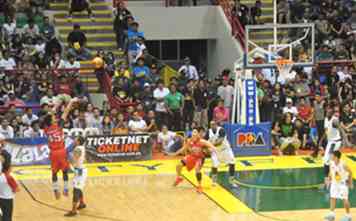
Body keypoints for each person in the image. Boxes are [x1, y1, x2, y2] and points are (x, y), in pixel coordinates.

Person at [41, 98, 77, 199]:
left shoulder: (46, 128)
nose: (55, 117)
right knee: (64, 171)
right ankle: (65, 189)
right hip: (61, 152)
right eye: (53, 117)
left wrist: (55, 107)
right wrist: (70, 102)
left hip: (53, 153)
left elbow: (47, 117)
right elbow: (66, 112)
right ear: (51, 120)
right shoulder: (59, 126)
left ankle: (56, 190)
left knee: (54, 172)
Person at [170, 129, 216, 193]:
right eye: (193, 133)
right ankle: (179, 177)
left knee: (197, 169)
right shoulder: (190, 141)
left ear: (197, 135)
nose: (194, 135)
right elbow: (183, 149)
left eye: (195, 133)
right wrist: (174, 154)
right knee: (178, 165)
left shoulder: (202, 141)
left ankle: (199, 186)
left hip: (200, 158)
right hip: (192, 156)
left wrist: (211, 150)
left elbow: (212, 147)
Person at [324, 150, 353, 221]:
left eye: (332, 155)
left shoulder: (343, 164)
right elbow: (331, 172)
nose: (331, 156)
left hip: (342, 184)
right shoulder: (331, 163)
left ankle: (348, 215)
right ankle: (331, 214)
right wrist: (328, 180)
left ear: (336, 157)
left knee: (345, 199)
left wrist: (350, 183)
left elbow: (350, 172)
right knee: (332, 197)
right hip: (334, 183)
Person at [207, 121, 236, 187]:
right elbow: (205, 141)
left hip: (225, 150)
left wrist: (210, 145)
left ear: (216, 125)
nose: (212, 126)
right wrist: (206, 148)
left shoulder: (221, 130)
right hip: (216, 151)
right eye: (211, 125)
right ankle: (214, 181)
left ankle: (232, 181)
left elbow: (219, 142)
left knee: (232, 163)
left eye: (213, 124)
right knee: (214, 165)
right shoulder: (208, 132)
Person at [65, 136, 87, 217]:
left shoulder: (77, 149)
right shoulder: (81, 147)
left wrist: (67, 160)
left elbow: (75, 158)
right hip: (79, 170)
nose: (74, 140)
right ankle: (82, 203)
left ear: (78, 141)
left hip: (80, 171)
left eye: (75, 139)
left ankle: (74, 211)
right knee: (78, 188)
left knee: (76, 190)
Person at [322, 108, 342, 189]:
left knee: (327, 160)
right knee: (330, 161)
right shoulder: (326, 119)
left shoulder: (335, 120)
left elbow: (340, 128)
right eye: (327, 111)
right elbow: (326, 130)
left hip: (335, 142)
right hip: (330, 142)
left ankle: (328, 181)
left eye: (330, 112)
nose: (328, 112)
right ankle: (332, 179)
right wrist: (322, 139)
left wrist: (346, 139)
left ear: (332, 113)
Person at [0, 149, 19, 221]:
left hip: (1, 197)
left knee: (4, 215)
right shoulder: (9, 177)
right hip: (7, 199)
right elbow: (16, 189)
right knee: (7, 216)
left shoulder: (2, 175)